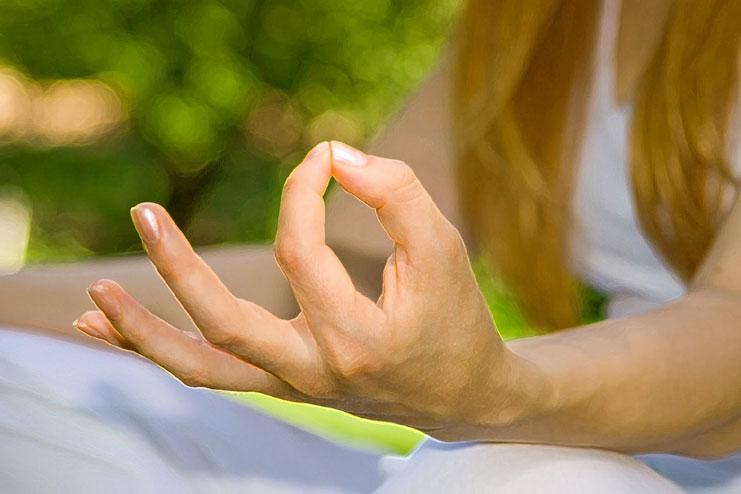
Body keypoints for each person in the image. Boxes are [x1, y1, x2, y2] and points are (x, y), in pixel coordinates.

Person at [2, 0, 741, 492]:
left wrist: (498, 391)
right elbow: (350, 270)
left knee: (513, 478)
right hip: (581, 448)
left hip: (584, 452)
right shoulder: (530, 22)